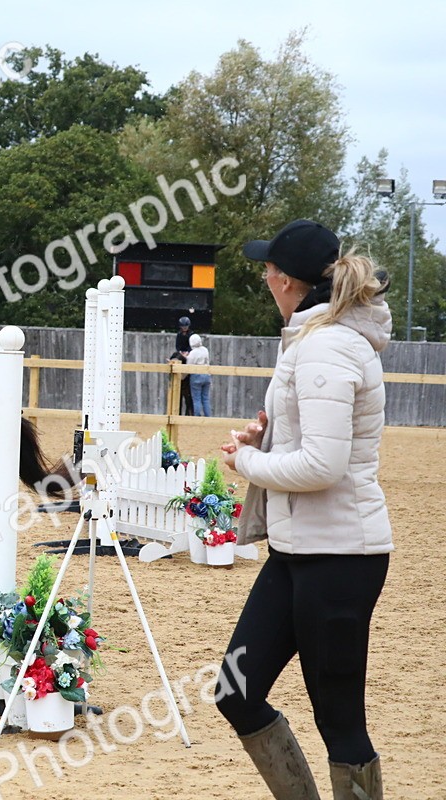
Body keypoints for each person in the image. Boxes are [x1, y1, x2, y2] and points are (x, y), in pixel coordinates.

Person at [217, 219, 392, 800]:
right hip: (296, 551)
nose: (265, 277)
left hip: (340, 557)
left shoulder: (326, 347)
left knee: (340, 723)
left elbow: (322, 466)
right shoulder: (311, 339)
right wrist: (262, 442)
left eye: (267, 269)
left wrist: (248, 464)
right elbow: (309, 442)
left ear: (286, 280)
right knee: (236, 690)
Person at [186, 333, 211, 416]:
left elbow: (188, 365)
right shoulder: (205, 350)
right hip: (206, 374)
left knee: (196, 399)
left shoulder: (192, 353)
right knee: (205, 398)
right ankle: (208, 416)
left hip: (196, 376)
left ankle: (197, 417)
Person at [175, 316, 194, 414]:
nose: (184, 328)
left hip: (188, 354)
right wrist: (180, 352)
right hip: (181, 353)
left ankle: (189, 412)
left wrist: (187, 352)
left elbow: (191, 346)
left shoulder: (191, 334)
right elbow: (178, 346)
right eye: (183, 326)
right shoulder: (179, 335)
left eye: (186, 326)